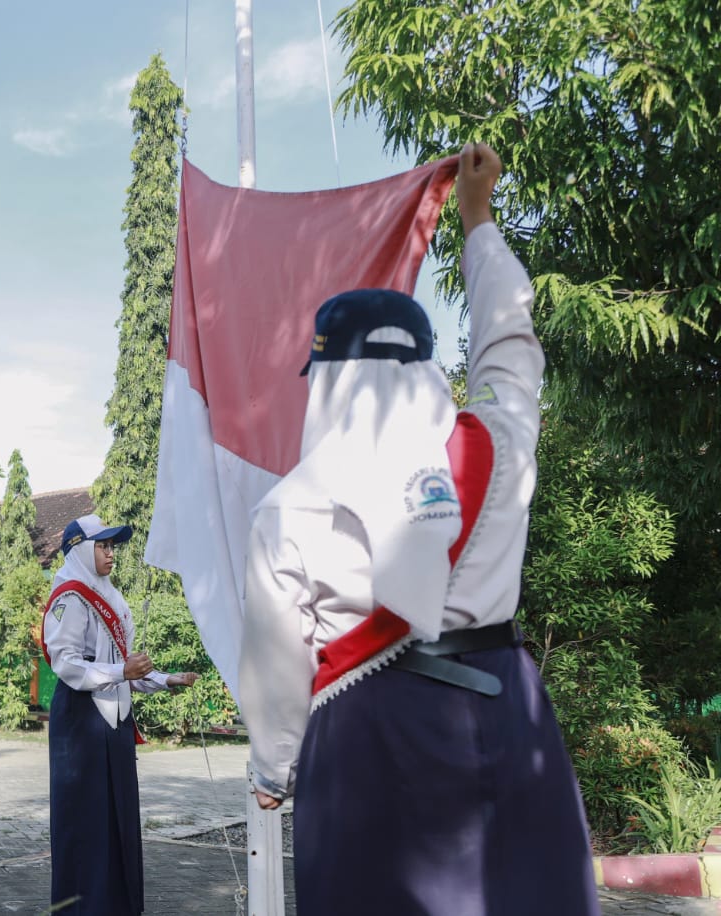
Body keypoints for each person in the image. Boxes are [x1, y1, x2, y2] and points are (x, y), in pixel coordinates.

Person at [238, 143, 598, 914]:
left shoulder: (290, 507)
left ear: (327, 378)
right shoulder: (497, 445)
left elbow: (278, 672)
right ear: (429, 365)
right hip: (505, 712)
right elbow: (510, 343)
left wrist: (273, 775)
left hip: (365, 737)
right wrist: (478, 219)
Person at [41, 514, 195, 916]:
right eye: (103, 546)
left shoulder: (111, 596)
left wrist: (165, 679)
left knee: (117, 815)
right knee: (85, 820)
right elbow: (67, 664)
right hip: (82, 721)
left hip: (115, 723)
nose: (112, 554)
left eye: (113, 547)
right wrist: (121, 672)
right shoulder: (69, 597)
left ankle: (116, 906)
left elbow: (123, 667)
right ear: (79, 549)